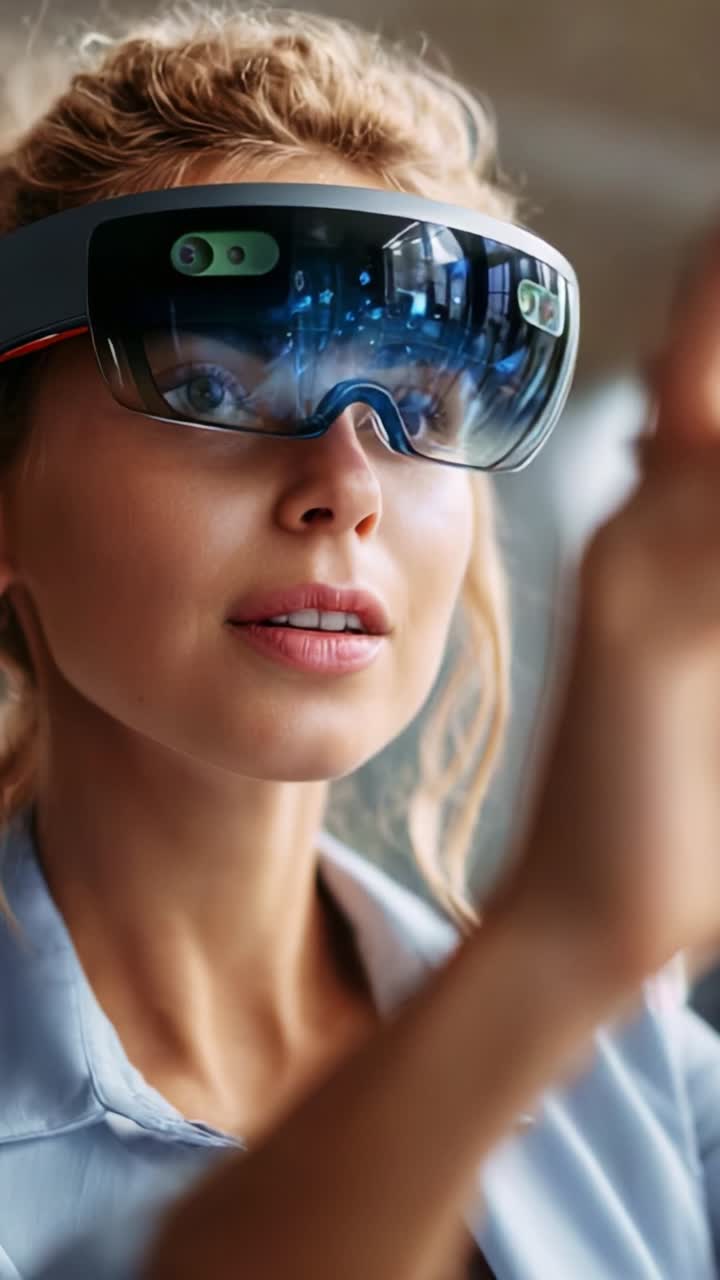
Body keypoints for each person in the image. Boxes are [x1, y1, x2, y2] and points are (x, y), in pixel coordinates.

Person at [0, 5, 720, 1279]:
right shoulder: (562, 973)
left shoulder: (653, 1086)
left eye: (419, 405)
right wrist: (553, 947)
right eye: (216, 383)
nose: (348, 478)